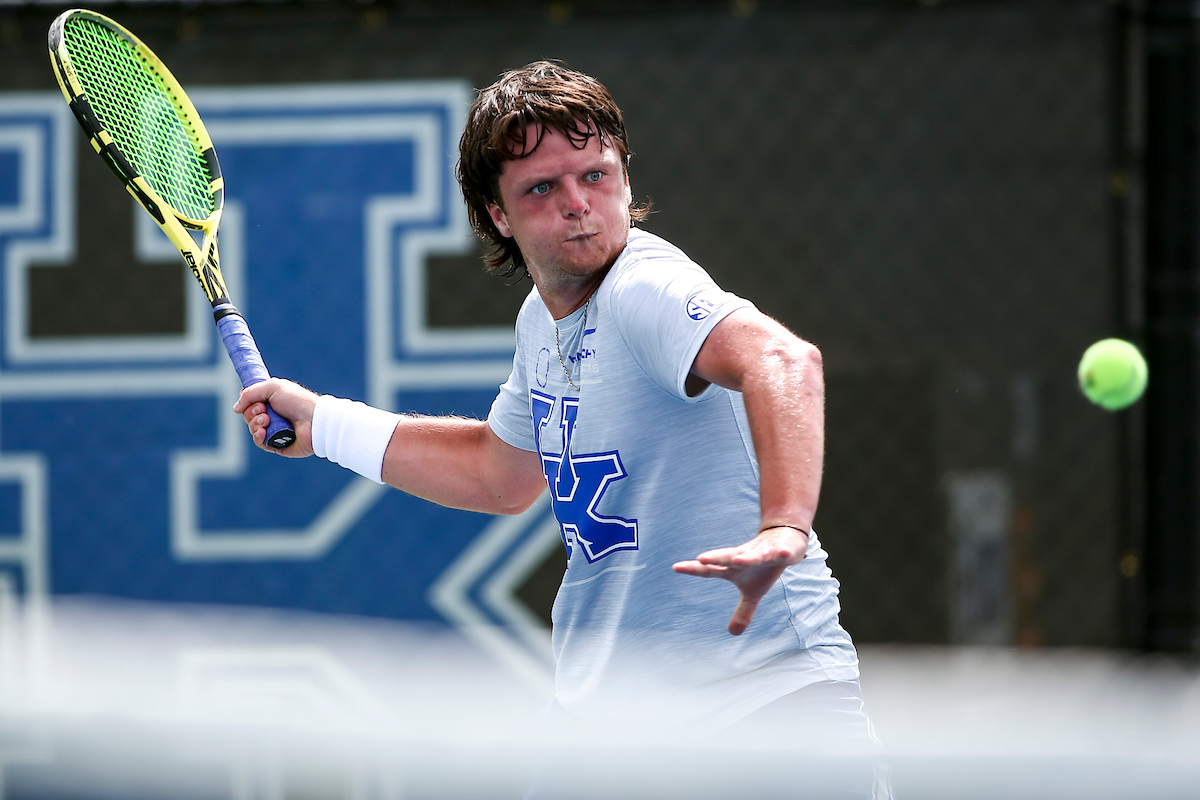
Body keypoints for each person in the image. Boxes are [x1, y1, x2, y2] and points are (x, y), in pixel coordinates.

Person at [236, 61, 887, 794]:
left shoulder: (645, 288)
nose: (579, 204)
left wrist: (784, 527)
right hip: (617, 732)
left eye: (596, 176)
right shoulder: (544, 320)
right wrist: (323, 424)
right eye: (542, 188)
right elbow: (498, 473)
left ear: (625, 179)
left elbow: (786, 360)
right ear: (497, 215)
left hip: (765, 718)